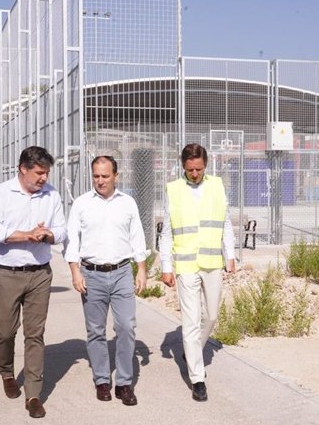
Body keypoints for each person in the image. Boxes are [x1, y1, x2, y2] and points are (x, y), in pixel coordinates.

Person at [0, 146, 66, 419]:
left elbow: (63, 229)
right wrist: (25, 235)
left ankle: (33, 394)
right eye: (39, 173)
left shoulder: (51, 194)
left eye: (46, 173)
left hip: (40, 274)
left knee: (35, 334)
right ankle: (6, 372)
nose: (43, 178)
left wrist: (49, 234)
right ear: (23, 169)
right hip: (8, 273)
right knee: (6, 331)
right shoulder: (3, 192)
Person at [64, 155, 147, 406]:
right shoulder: (81, 204)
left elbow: (137, 236)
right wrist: (75, 272)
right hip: (91, 275)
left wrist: (141, 269)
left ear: (116, 176)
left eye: (105, 176)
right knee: (96, 331)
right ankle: (102, 380)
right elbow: (72, 241)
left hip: (122, 272)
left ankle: (123, 383)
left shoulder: (128, 203)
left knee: (125, 327)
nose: (100, 181)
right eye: (96, 176)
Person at [159, 143, 235, 402]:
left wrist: (230, 254)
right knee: (191, 321)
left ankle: (192, 351)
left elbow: (225, 221)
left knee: (211, 316)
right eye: (190, 169)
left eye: (199, 169)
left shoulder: (217, 185)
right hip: (186, 264)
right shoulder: (173, 190)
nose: (194, 174)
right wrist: (166, 266)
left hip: (212, 261)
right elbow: (167, 232)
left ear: (206, 166)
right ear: (183, 166)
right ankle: (197, 378)